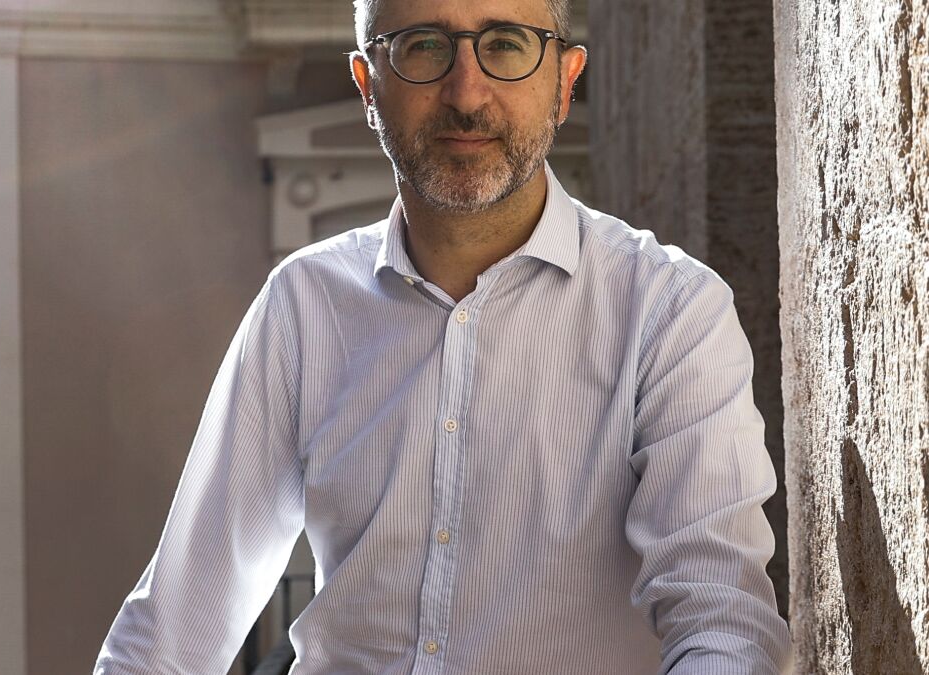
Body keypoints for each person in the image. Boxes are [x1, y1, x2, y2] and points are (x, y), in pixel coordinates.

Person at [94, 0, 794, 672]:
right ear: (368, 85)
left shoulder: (669, 310)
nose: (466, 92)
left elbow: (721, 621)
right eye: (423, 46)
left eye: (507, 45)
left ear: (564, 81)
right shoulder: (302, 306)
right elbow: (174, 632)